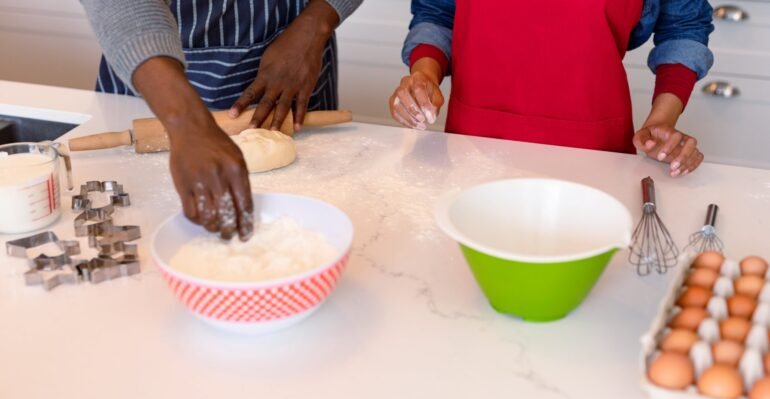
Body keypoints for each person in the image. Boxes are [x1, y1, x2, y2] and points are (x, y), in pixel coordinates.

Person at [80, 0, 361, 240]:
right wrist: (184, 121)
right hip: (152, 72)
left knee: (304, 228)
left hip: (296, 58)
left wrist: (317, 22)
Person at [389, 0, 713, 177]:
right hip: (473, 145)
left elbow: (682, 24)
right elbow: (438, 12)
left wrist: (662, 120)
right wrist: (425, 75)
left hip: (594, 150)